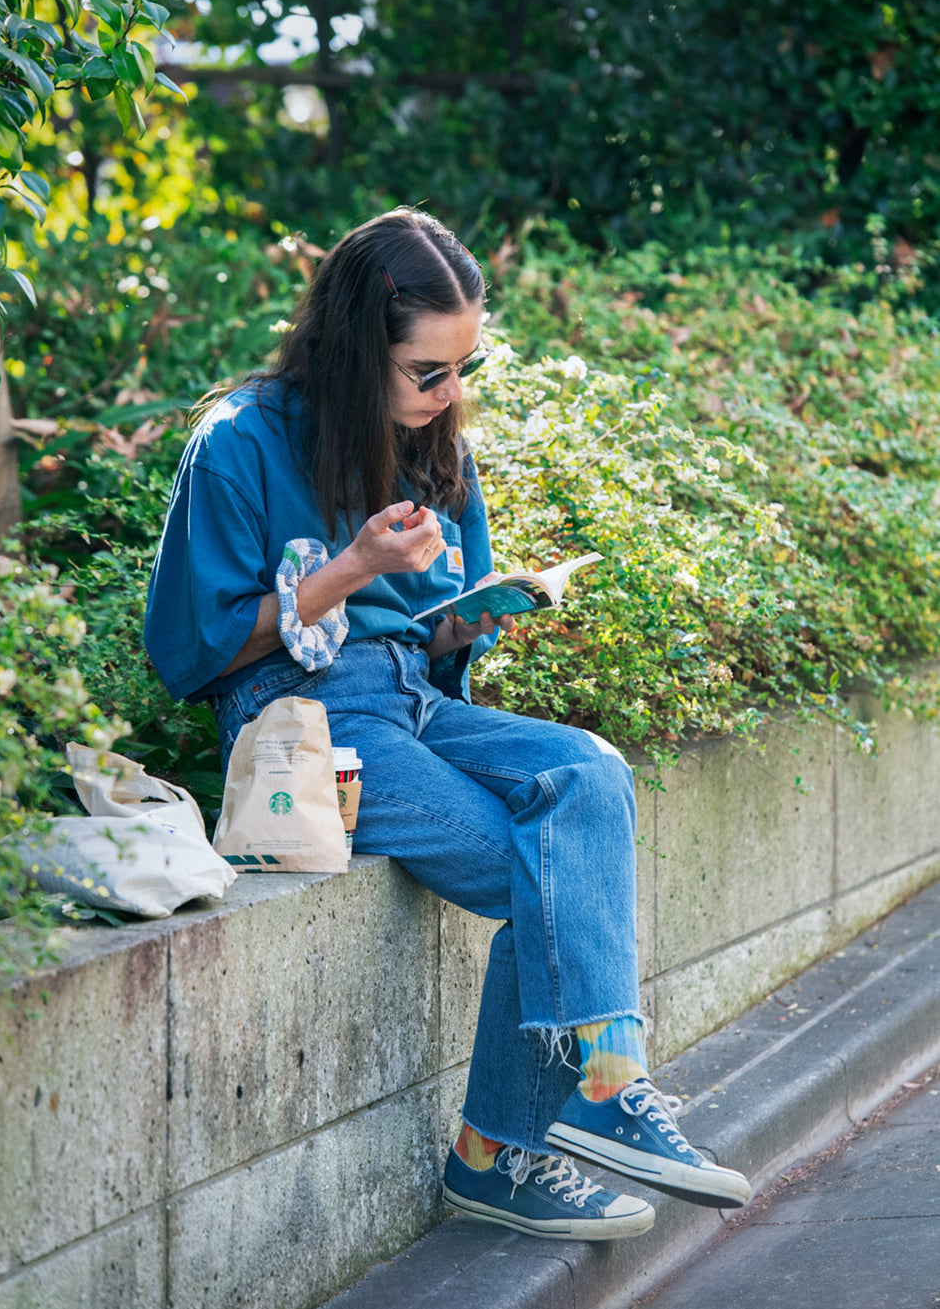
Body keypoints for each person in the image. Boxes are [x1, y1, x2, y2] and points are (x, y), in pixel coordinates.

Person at [145, 207, 750, 1241]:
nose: (450, 395)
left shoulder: (433, 442)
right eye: (430, 371)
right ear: (353, 346)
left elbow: (435, 645)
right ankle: (531, 1133)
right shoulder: (240, 441)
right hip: (301, 722)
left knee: (586, 772)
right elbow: (192, 650)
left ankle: (540, 1127)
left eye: (465, 368)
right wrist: (354, 569)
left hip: (416, 701)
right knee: (542, 865)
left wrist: (467, 616)